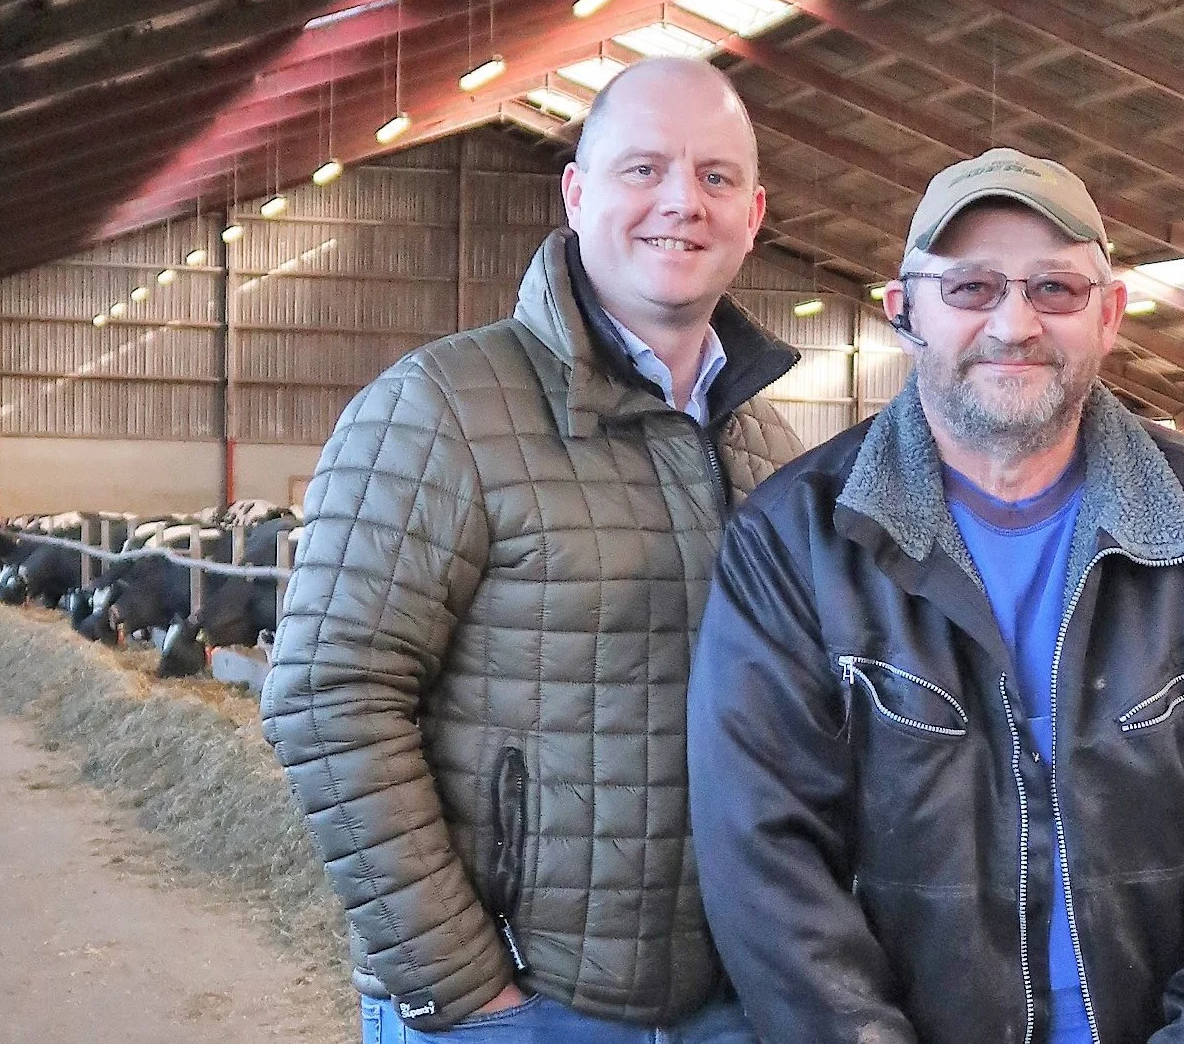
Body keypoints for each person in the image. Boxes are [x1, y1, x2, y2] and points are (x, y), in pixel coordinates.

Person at [686, 147, 1184, 1044]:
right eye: (970, 289)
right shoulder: (797, 542)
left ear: (1109, 314)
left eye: (1055, 289)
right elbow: (762, 857)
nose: (1015, 324)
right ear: (904, 313)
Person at [261, 57, 804, 1042]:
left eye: (716, 176)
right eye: (643, 168)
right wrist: (464, 984)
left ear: (754, 210)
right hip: (518, 1001)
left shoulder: (773, 447)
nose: (682, 199)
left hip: (730, 1000)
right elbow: (326, 692)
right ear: (577, 191)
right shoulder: (441, 408)